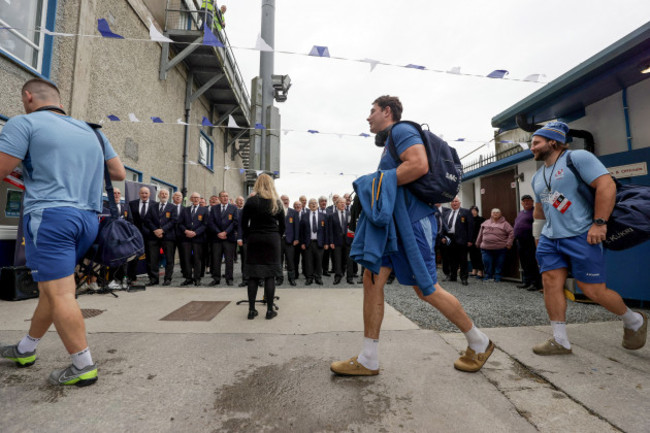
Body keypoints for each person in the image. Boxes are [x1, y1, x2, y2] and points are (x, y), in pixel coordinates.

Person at [330, 95, 493, 376]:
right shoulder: (392, 140)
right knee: (371, 281)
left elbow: (418, 165)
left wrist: (373, 182)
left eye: (372, 111)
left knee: (426, 289)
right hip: (393, 225)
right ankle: (369, 358)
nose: (368, 117)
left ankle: (479, 342)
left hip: (413, 222)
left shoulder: (402, 130)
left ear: (387, 111)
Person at [0, 78, 126, 386]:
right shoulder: (93, 131)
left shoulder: (23, 123)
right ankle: (25, 349)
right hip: (87, 219)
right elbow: (119, 173)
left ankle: (83, 366)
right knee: (50, 289)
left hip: (51, 217)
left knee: (59, 293)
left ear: (28, 97)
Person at [530, 121, 646, 355]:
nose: (531, 148)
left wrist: (599, 223)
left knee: (592, 290)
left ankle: (634, 320)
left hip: (582, 235)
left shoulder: (578, 157)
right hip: (550, 239)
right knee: (550, 283)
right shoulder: (539, 176)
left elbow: (606, 186)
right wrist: (538, 238)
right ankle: (560, 340)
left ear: (553, 142)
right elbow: (540, 209)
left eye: (536, 143)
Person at [241, 174, 285, 320]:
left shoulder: (251, 201)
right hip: (272, 240)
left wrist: (248, 236)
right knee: (270, 275)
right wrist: (275, 235)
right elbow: (283, 226)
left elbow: (243, 223)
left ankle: (251, 310)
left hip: (255, 238)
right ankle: (269, 311)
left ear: (257, 184)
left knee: (253, 275)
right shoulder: (276, 202)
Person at [144, 189, 177, 286]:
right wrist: (155, 230)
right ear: (158, 195)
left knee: (169, 259)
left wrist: (162, 230)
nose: (164, 195)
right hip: (153, 236)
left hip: (168, 237)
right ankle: (154, 279)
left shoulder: (173, 207)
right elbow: (148, 220)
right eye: (162, 193)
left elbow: (174, 221)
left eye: (166, 194)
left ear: (168, 196)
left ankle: (167, 279)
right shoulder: (152, 206)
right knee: (152, 259)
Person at [441, 197, 474, 285]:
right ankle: (453, 276)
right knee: (451, 259)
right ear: (450, 203)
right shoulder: (446, 213)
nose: (454, 203)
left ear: (459, 203)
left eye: (456, 201)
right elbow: (443, 227)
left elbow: (470, 227)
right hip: (449, 239)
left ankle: (464, 278)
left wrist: (470, 240)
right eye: (452, 201)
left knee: (463, 259)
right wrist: (443, 237)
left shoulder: (465, 212)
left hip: (462, 239)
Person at [475, 208, 514, 282]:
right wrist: (478, 242)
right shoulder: (486, 222)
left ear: (500, 214)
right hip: (486, 248)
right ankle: (488, 276)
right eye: (493, 212)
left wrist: (509, 243)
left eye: (497, 212)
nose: (495, 214)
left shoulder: (505, 223)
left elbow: (511, 233)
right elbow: (480, 234)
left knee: (499, 263)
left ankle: (497, 277)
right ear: (491, 214)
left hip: (500, 248)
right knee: (487, 262)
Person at [208, 191, 238, 286]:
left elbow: (235, 222)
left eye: (227, 196)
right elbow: (211, 222)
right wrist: (218, 232)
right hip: (216, 238)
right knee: (216, 259)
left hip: (229, 238)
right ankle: (216, 278)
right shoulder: (214, 208)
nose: (225, 198)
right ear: (219, 198)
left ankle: (229, 278)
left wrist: (225, 232)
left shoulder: (233, 208)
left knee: (229, 260)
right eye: (223, 196)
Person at [179, 192, 209, 286]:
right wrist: (186, 231)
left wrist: (195, 233)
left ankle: (197, 278)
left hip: (198, 239)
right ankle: (188, 278)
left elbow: (205, 224)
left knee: (197, 259)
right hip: (186, 238)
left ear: (200, 199)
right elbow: (179, 223)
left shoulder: (204, 210)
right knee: (187, 259)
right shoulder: (185, 210)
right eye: (194, 197)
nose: (196, 199)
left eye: (197, 198)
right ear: (191, 199)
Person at [513, 195, 542, 291]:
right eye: (524, 201)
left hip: (530, 241)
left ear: (532, 202)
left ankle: (536, 283)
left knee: (531, 262)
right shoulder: (521, 213)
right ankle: (526, 281)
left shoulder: (535, 212)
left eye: (528, 201)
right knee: (524, 262)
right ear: (521, 203)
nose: (526, 203)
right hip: (520, 242)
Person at [299, 198, 329, 285]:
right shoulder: (304, 216)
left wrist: (326, 243)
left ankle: (318, 277)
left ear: (317, 205)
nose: (313, 204)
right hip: (308, 243)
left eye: (315, 203)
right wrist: (302, 243)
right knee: (308, 261)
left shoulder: (323, 216)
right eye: (311, 203)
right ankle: (309, 278)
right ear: (308, 205)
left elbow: (326, 231)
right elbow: (301, 231)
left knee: (319, 261)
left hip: (320, 243)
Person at [128, 186, 152, 284]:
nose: (144, 195)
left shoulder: (154, 205)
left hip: (150, 235)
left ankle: (152, 278)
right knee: (134, 257)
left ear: (149, 194)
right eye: (142, 193)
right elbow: (129, 219)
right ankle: (131, 277)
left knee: (151, 257)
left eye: (146, 193)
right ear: (139, 194)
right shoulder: (132, 204)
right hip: (136, 235)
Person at [328, 197, 352, 285]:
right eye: (341, 202)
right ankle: (337, 277)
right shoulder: (332, 216)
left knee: (349, 260)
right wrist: (331, 242)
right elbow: (330, 230)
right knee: (337, 260)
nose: (343, 204)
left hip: (348, 241)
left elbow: (352, 229)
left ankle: (349, 278)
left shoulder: (349, 214)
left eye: (344, 203)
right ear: (336, 204)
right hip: (336, 241)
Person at [280, 194, 299, 286]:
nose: (285, 201)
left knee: (290, 260)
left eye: (287, 199)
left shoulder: (293, 212)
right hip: (279, 240)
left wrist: (296, 238)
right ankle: (279, 279)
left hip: (290, 241)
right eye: (283, 199)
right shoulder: (276, 211)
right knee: (279, 260)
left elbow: (296, 227)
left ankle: (291, 279)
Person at [468, 205, 485, 279]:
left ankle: (480, 271)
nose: (473, 212)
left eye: (475, 210)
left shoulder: (482, 219)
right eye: (472, 211)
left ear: (477, 211)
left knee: (479, 256)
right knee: (472, 256)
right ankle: (474, 270)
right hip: (470, 241)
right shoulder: (468, 220)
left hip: (479, 241)